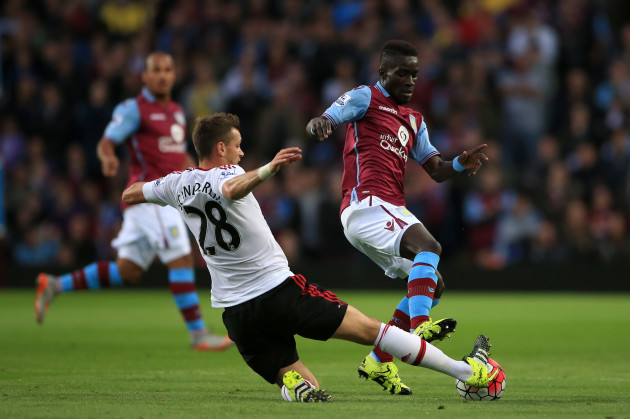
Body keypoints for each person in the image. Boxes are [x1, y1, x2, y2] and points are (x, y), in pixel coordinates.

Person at [121, 112, 498, 402]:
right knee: (373, 331)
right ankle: (465, 372)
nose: (240, 150)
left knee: (307, 384)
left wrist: (152, 180)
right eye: (236, 145)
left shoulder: (175, 183)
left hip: (236, 314)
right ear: (220, 149)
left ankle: (292, 387)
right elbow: (231, 187)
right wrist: (268, 168)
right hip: (278, 292)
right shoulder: (229, 171)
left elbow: (130, 194)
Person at [306, 40, 489, 395]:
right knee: (430, 245)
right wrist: (319, 124)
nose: (409, 80)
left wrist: (458, 164)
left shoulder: (415, 121)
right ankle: (420, 328)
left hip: (388, 210)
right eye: (402, 73)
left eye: (415, 74)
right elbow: (327, 117)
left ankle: (379, 360)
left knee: (434, 283)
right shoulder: (365, 98)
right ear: (383, 73)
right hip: (366, 205)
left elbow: (434, 169)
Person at [34, 52, 232, 352]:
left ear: (174, 75)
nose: (163, 75)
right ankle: (198, 334)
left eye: (168, 69)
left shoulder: (177, 111)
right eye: (156, 70)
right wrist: (108, 157)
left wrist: (204, 174)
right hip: (149, 197)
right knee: (180, 257)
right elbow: (107, 141)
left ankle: (55, 285)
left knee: (128, 271)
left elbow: (178, 155)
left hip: (164, 197)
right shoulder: (133, 109)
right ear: (145, 76)